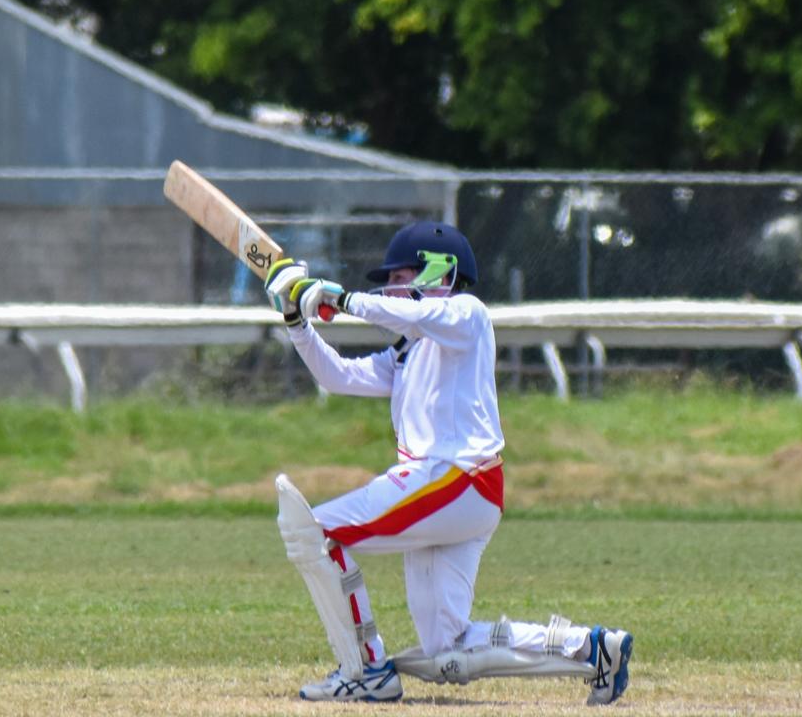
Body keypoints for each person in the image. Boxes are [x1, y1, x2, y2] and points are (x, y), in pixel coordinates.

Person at [263, 221, 633, 705]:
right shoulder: (409, 351)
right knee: (447, 648)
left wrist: (340, 298)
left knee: (318, 533)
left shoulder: (466, 313)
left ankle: (365, 669)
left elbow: (401, 312)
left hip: (456, 478)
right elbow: (338, 377)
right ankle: (592, 649)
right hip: (459, 492)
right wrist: (298, 322)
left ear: (441, 271)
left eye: (400, 275)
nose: (392, 286)